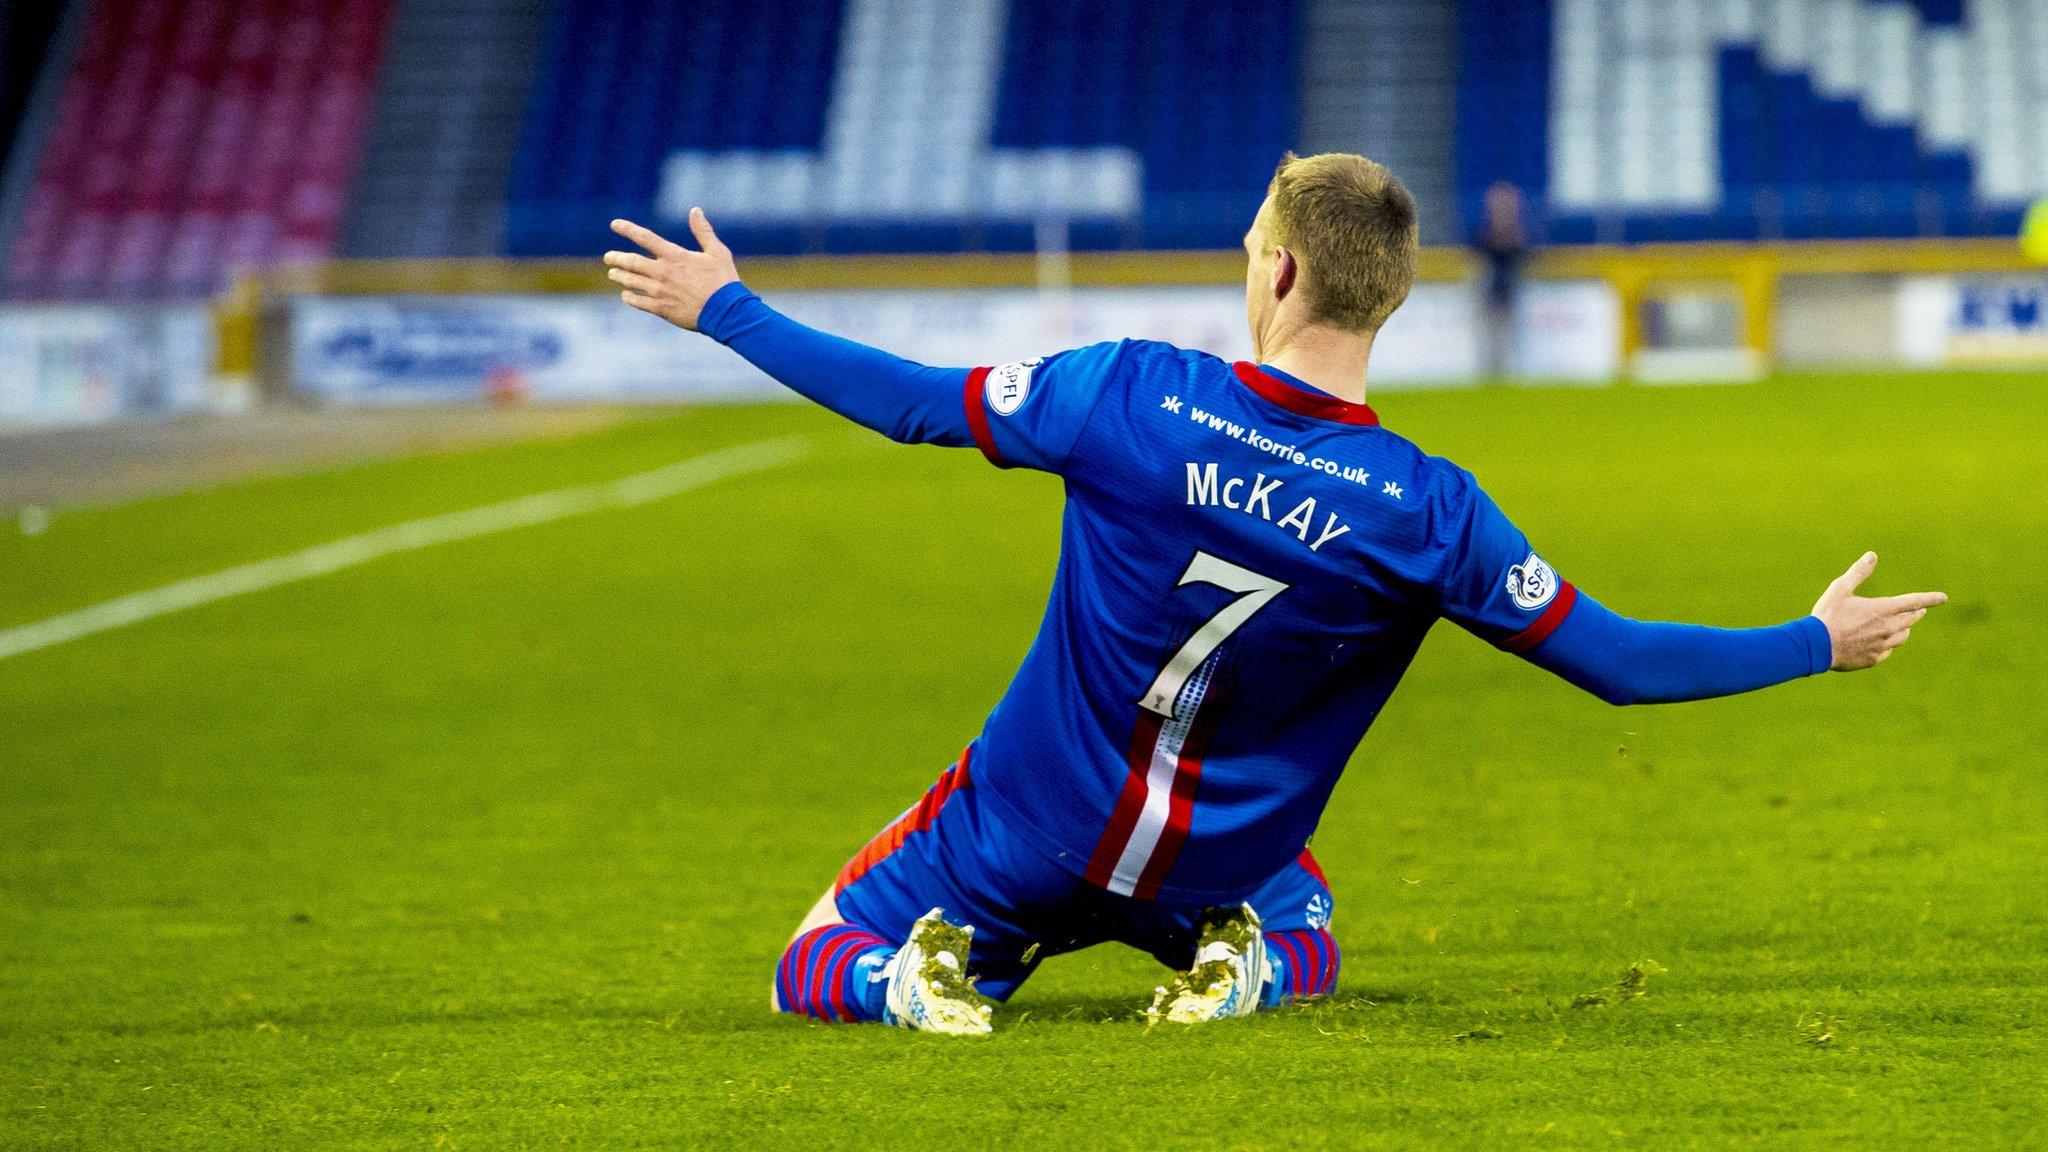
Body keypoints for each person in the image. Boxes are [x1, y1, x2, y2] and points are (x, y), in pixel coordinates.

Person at [603, 153, 1944, 1035]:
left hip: (1025, 835)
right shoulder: (1432, 512)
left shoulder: (1126, 393)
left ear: (1285, 271)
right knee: (1309, 921)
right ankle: (1239, 962)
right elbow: (1621, 662)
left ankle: (918, 982)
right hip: (1220, 867)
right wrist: (1813, 642)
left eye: (1256, 245)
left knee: (812, 955)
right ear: (1391, 298)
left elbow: (912, 408)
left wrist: (728, 310)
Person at [1473, 180, 1530, 379]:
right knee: (1488, 332)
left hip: (1509, 290)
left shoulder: (1517, 237)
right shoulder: (1485, 235)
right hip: (1490, 290)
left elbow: (1522, 255)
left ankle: (1509, 370)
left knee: (1511, 333)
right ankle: (1488, 370)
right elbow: (1481, 254)